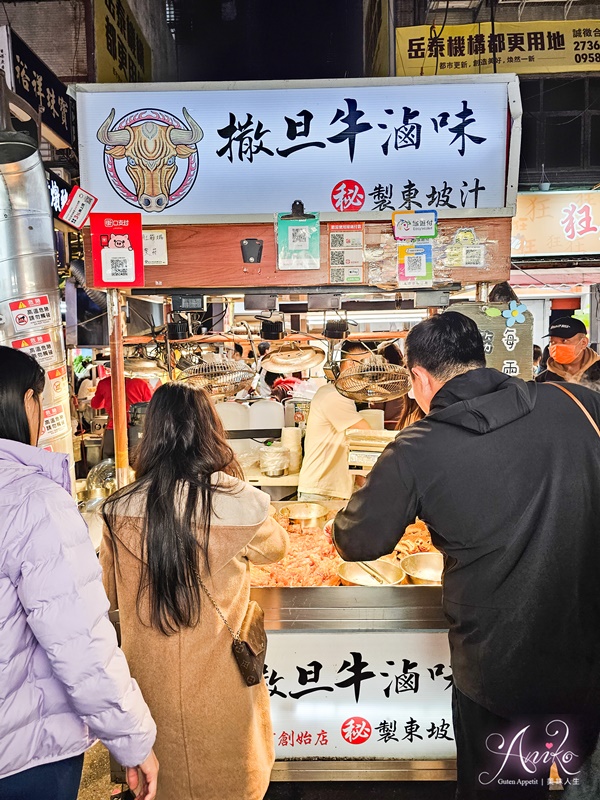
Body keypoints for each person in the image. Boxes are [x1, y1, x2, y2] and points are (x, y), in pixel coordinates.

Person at [332, 312, 600, 800]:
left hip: (499, 669)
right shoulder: (578, 401)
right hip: (585, 651)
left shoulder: (417, 447)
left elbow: (358, 541)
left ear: (419, 377)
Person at [101, 382, 288, 800]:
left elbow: (108, 597)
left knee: (160, 787)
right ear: (210, 431)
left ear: (151, 434)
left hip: (151, 695)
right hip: (223, 693)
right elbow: (277, 549)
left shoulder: (117, 509)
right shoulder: (241, 501)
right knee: (232, 783)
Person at [0, 346, 158, 800]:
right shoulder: (34, 501)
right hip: (25, 756)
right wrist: (133, 741)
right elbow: (79, 642)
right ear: (26, 403)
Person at [298, 340, 371, 502]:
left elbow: (351, 442)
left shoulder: (344, 396)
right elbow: (366, 434)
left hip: (332, 489)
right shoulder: (334, 395)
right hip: (322, 491)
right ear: (352, 364)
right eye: (367, 365)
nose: (369, 372)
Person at [91, 370, 153, 459]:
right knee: (136, 460)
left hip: (113, 429)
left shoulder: (104, 383)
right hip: (136, 430)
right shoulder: (141, 383)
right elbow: (150, 406)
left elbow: (95, 404)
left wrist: (108, 402)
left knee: (109, 461)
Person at [536, 316, 599, 383]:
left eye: (564, 340)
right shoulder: (542, 381)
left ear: (583, 343)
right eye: (552, 342)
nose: (557, 346)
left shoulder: (598, 369)